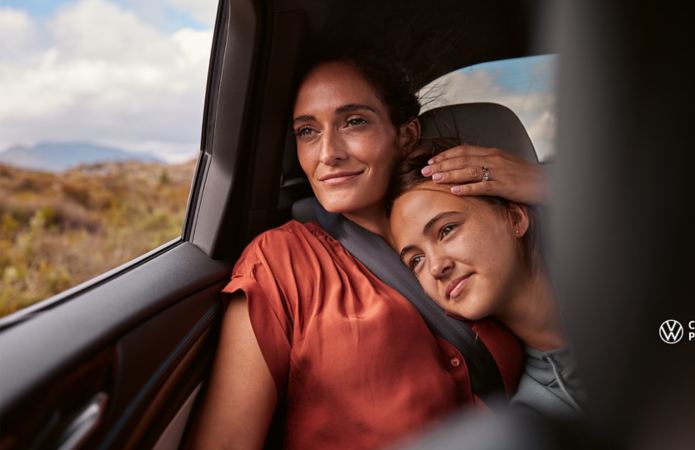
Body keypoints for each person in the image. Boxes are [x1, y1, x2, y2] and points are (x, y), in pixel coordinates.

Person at [184, 54, 546, 450]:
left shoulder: (476, 226)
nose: (328, 153)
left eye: (353, 121)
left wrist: (542, 184)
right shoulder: (280, 262)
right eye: (307, 131)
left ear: (405, 135)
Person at [387, 138, 585, 420]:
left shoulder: (637, 284)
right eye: (415, 260)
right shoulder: (532, 415)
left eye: (447, 230)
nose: (435, 267)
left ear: (516, 219)